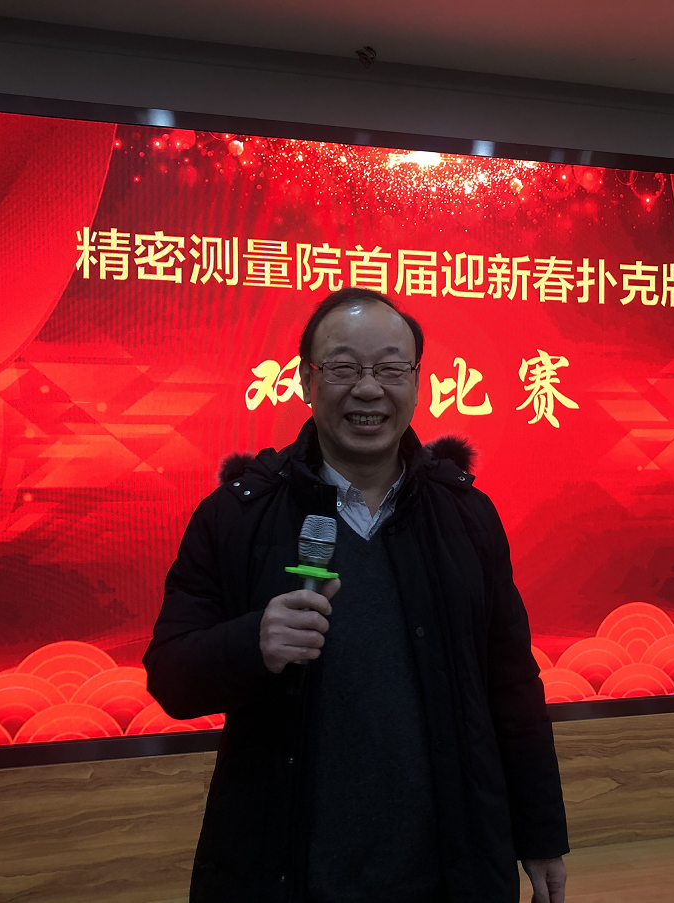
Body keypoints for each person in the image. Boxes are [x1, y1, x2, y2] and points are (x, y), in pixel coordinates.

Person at [144, 287, 568, 903]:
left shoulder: (467, 515)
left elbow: (512, 685)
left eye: (391, 369)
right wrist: (251, 643)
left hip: (448, 870)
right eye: (343, 368)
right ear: (305, 381)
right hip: (287, 873)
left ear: (416, 383)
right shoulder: (236, 516)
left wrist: (540, 832)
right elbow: (170, 676)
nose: (369, 390)